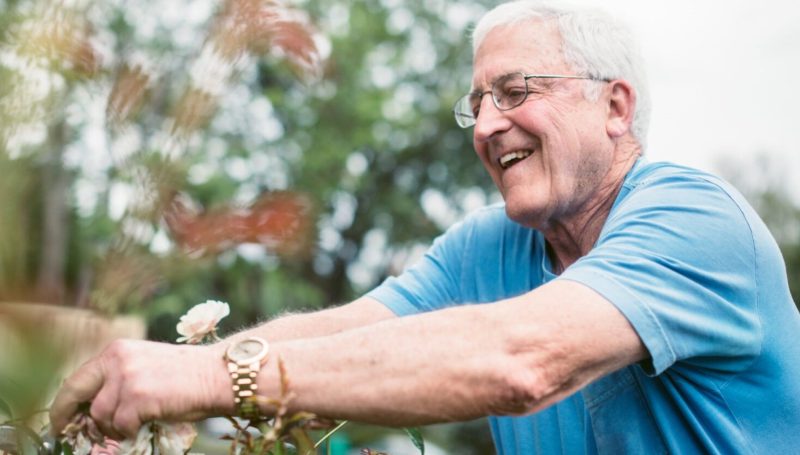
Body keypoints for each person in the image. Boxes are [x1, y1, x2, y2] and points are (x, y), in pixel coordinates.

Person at [51, 1, 800, 453]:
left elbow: (521, 359)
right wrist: (162, 374)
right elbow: (348, 335)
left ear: (614, 107)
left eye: (514, 91)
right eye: (475, 102)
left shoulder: (694, 221)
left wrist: (208, 377)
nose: (486, 125)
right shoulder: (489, 245)